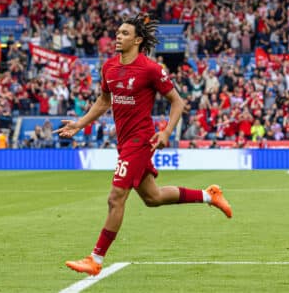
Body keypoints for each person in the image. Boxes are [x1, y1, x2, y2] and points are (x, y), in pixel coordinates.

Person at [55, 14, 232, 276]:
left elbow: (177, 102)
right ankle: (210, 195)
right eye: (117, 32)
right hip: (124, 141)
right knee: (153, 197)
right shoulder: (109, 67)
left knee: (116, 198)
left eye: (124, 33)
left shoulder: (150, 69)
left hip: (141, 140)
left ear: (137, 40)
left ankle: (96, 259)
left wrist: (166, 132)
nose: (118, 36)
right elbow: (104, 102)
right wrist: (80, 124)